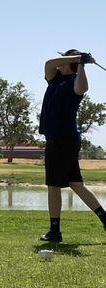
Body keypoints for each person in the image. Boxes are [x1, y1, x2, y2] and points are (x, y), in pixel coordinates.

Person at [39, 49, 106, 242]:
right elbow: (49, 63)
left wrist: (82, 64)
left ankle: (55, 231)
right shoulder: (54, 78)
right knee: (76, 184)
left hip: (62, 139)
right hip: (63, 140)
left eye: (63, 59)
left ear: (69, 64)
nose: (59, 62)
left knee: (53, 185)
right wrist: (79, 58)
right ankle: (104, 218)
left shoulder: (73, 82)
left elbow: (82, 88)